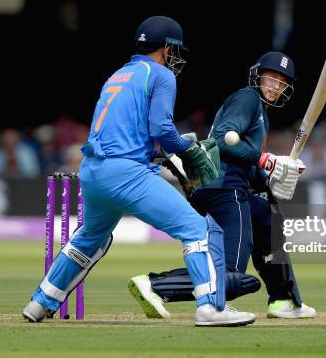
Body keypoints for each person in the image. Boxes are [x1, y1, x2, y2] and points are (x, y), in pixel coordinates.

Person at [22, 16, 255, 327]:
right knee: (200, 230)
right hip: (127, 175)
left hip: (92, 171)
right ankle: (211, 308)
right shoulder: (161, 75)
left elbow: (128, 130)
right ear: (167, 49)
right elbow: (162, 128)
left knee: (91, 238)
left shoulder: (118, 75)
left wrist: (157, 153)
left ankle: (40, 303)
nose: (175, 57)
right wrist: (188, 150)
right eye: (175, 50)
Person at [128, 52, 316, 319]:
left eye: (282, 82)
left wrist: (275, 175)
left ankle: (283, 299)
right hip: (224, 190)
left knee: (266, 214)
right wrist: (267, 160)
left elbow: (247, 165)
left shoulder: (261, 113)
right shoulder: (247, 98)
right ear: (258, 75)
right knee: (232, 273)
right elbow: (223, 139)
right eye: (271, 77)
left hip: (221, 187)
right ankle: (156, 286)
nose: (275, 86)